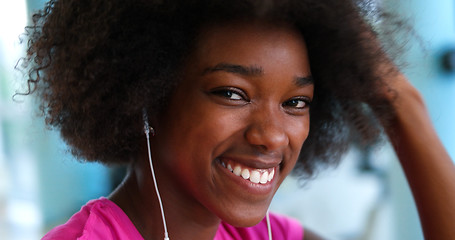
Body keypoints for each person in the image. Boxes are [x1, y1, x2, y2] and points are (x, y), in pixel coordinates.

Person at [20, 0, 455, 239]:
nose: (270, 136)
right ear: (145, 94)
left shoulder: (270, 236)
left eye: (296, 102)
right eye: (232, 93)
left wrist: (400, 105)